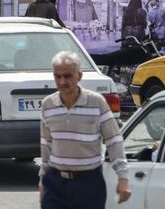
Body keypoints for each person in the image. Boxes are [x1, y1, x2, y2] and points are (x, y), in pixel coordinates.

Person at [40, 51, 131, 209]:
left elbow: (114, 140)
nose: (62, 81)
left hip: (88, 184)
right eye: (58, 76)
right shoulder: (48, 105)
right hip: (55, 184)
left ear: (79, 76)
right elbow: (46, 146)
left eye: (67, 76)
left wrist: (123, 178)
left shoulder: (96, 103)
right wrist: (43, 181)